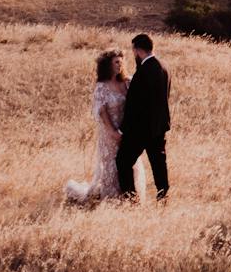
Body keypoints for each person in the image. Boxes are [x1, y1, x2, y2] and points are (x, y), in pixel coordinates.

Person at [64, 50, 128, 204]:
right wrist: (113, 132)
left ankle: (128, 195)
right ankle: (111, 197)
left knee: (128, 162)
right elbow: (102, 111)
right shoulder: (102, 86)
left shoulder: (127, 82)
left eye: (121, 61)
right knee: (110, 164)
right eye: (116, 62)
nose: (120, 65)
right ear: (108, 65)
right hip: (109, 132)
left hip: (126, 129)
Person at [115, 32, 170, 201]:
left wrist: (123, 129)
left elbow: (134, 105)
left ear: (137, 50)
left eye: (134, 51)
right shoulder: (163, 67)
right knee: (158, 163)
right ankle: (163, 196)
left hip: (140, 129)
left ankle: (131, 199)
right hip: (159, 126)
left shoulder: (143, 71)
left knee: (122, 161)